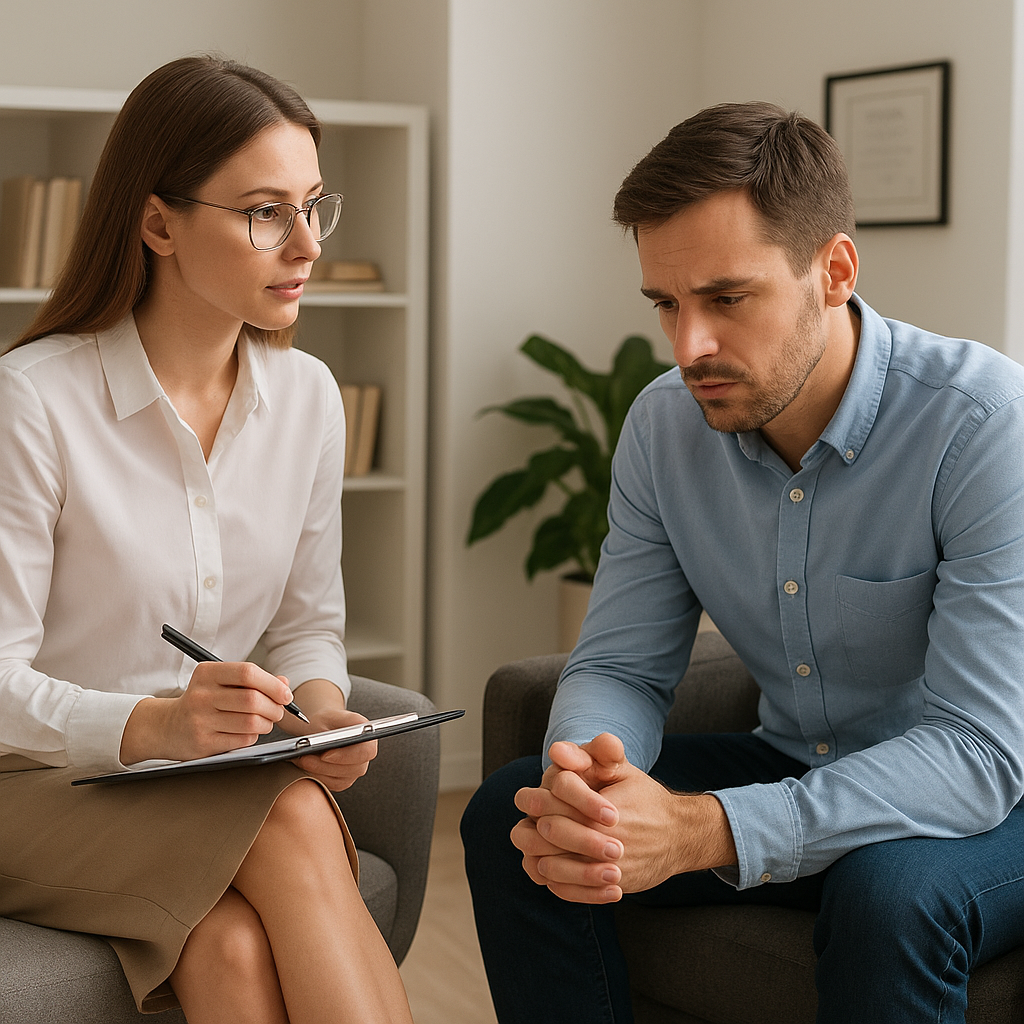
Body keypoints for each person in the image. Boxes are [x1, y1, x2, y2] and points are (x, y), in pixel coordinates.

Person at [460, 101, 1024, 1024]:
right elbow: (618, 665)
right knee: (515, 820)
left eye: (727, 299)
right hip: (798, 756)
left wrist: (702, 830)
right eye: (665, 306)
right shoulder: (662, 426)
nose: (689, 349)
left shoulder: (983, 423)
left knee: (888, 896)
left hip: (996, 795)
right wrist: (592, 776)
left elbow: (979, 753)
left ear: (832, 271)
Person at [0, 56, 414, 1023]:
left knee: (229, 946)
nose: (305, 243)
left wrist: (320, 714)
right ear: (158, 224)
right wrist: (158, 727)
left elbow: (311, 623)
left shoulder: (308, 396)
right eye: (266, 211)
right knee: (293, 815)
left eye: (315, 204)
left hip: (180, 785)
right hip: (27, 784)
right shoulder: (31, 403)